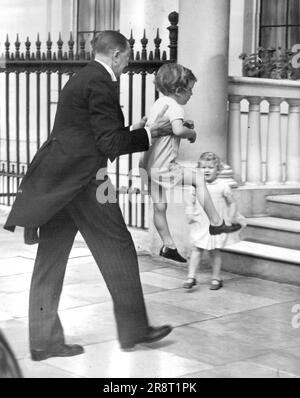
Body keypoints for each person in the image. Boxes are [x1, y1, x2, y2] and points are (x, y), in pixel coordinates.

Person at [3, 31, 173, 361]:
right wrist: (153, 133)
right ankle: (134, 331)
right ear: (116, 55)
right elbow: (109, 145)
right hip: (84, 181)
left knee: (51, 260)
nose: (127, 64)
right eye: (126, 58)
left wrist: (135, 130)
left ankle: (43, 343)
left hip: (60, 180)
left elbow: (95, 133)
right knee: (120, 247)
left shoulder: (85, 77)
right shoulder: (101, 82)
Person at [139, 63, 241, 263]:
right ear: (178, 91)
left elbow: (165, 128)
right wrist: (191, 133)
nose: (191, 95)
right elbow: (177, 131)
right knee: (198, 179)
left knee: (160, 207)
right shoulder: (176, 106)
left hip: (149, 165)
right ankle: (216, 221)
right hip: (164, 165)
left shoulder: (159, 104)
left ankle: (168, 246)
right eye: (190, 91)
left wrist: (183, 126)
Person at [183, 152, 246, 290]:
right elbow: (189, 201)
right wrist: (189, 214)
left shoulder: (223, 186)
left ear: (218, 170)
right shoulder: (196, 185)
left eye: (211, 167)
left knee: (215, 251)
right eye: (203, 167)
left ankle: (216, 278)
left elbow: (232, 203)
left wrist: (229, 219)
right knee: (196, 249)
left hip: (216, 225)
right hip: (201, 222)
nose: (206, 170)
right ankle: (191, 277)